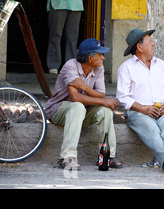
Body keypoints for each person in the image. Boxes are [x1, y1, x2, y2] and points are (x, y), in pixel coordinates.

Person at [116, 28, 164, 173]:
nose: (154, 44)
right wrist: (143, 108)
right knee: (152, 130)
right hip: (138, 112)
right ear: (139, 47)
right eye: (150, 41)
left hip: (162, 109)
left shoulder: (161, 65)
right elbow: (122, 97)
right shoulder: (126, 68)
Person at [44, 38, 122, 170]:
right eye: (100, 54)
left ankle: (107, 156)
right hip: (59, 111)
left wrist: (84, 87)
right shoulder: (70, 66)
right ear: (90, 59)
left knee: (106, 110)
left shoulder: (99, 68)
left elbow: (101, 94)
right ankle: (67, 158)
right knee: (78, 106)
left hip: (82, 112)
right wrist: (101, 99)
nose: (103, 58)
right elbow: (75, 97)